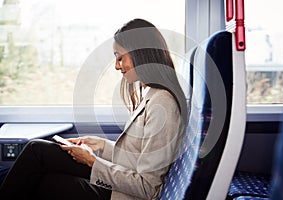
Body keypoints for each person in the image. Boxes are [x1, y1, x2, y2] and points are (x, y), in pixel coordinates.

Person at [0, 18, 187, 200]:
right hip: (119, 186)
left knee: (38, 157)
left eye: (120, 58)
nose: (116, 66)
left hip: (123, 195)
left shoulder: (163, 105)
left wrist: (92, 161)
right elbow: (136, 156)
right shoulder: (152, 94)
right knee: (37, 157)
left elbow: (146, 187)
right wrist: (100, 144)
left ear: (140, 53)